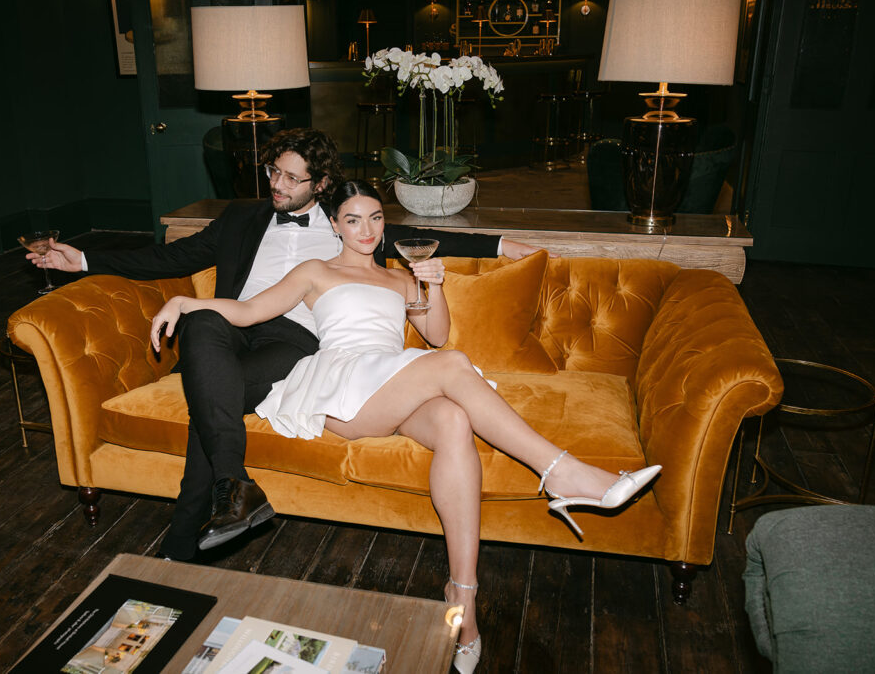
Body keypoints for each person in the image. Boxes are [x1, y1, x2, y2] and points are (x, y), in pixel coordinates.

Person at [149, 180, 662, 674]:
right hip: (340, 385)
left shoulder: (400, 276)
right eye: (353, 220)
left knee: (455, 419)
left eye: (374, 218)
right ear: (335, 225)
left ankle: (464, 600)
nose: (367, 230)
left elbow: (435, 336)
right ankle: (563, 472)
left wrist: (432, 288)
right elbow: (249, 310)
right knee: (455, 365)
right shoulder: (315, 271)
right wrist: (187, 303)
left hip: (391, 382)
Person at [26, 128, 541, 562]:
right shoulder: (240, 219)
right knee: (202, 324)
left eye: (292, 178)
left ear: (320, 184)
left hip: (290, 340)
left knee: (212, 404)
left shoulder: (349, 227)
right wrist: (85, 259)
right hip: (232, 325)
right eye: (274, 172)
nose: (277, 184)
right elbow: (171, 259)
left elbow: (428, 239)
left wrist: (503, 245)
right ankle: (233, 488)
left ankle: (184, 544)